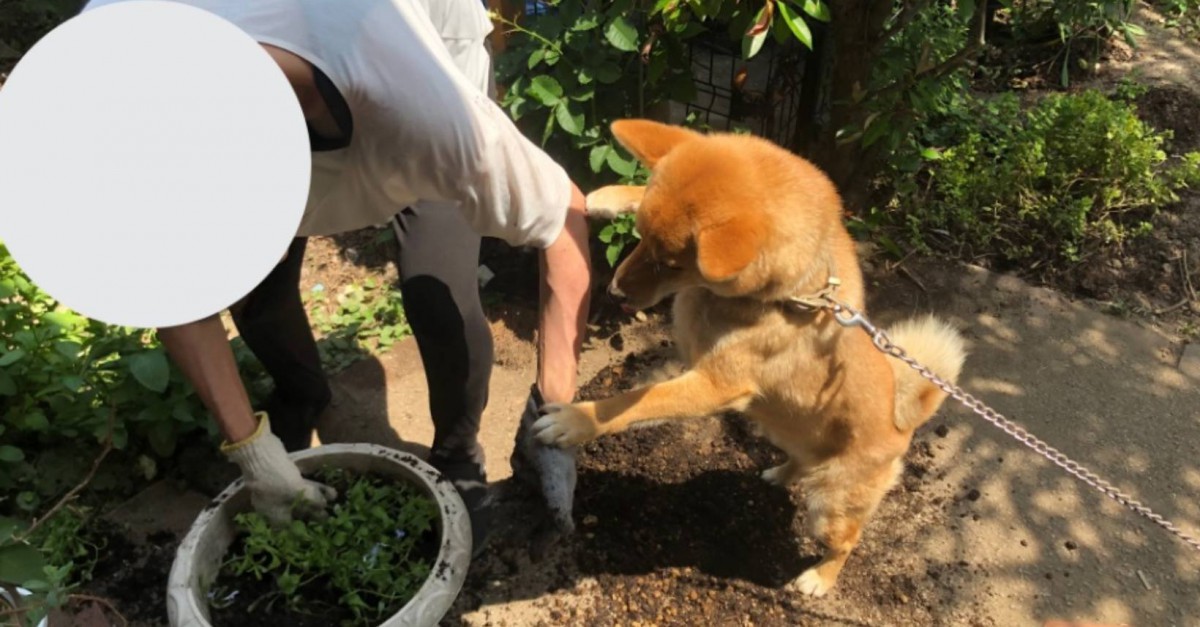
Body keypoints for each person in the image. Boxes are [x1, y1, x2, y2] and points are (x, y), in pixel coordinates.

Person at [79, 0, 593, 553]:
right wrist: (251, 452)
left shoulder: (437, 120)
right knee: (259, 297)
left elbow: (565, 220)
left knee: (436, 289)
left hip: (426, 60)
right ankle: (300, 395)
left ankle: (457, 455)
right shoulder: (121, 51)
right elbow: (173, 285)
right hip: (309, 100)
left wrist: (555, 416)